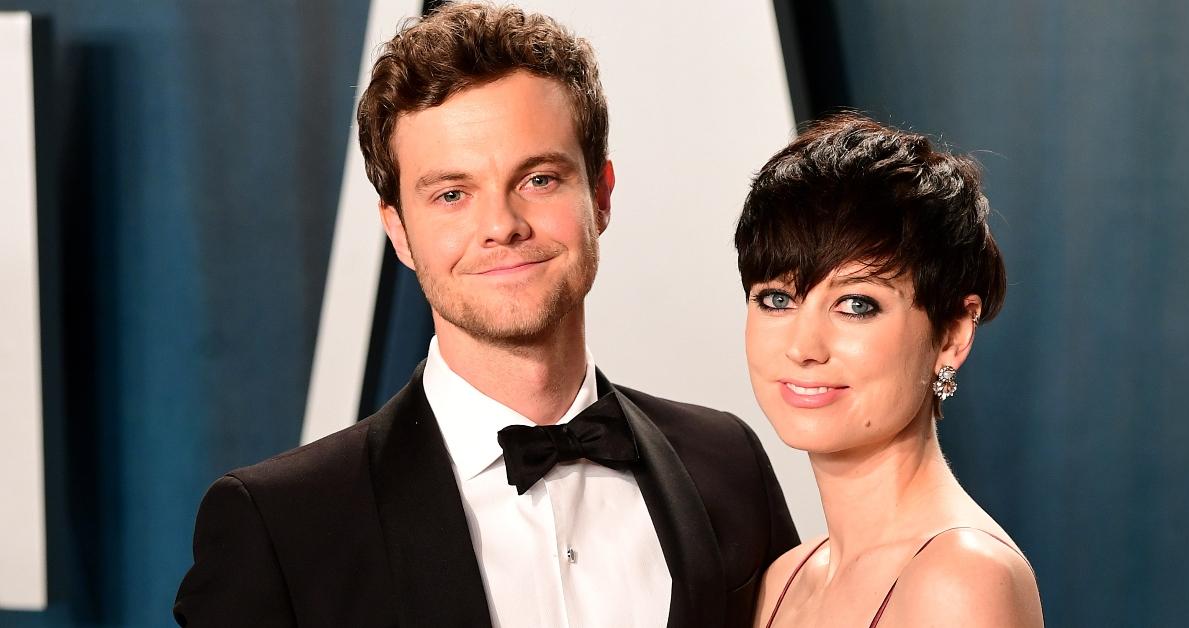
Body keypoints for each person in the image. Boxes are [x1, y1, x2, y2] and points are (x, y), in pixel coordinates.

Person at [173, 4, 797, 627]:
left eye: (539, 179)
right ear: (398, 231)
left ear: (601, 195)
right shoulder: (281, 529)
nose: (501, 225)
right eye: (452, 195)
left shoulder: (727, 465)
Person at [735, 113, 1043, 627]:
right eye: (777, 298)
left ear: (952, 334)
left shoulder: (961, 577)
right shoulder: (783, 581)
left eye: (856, 305)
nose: (804, 347)